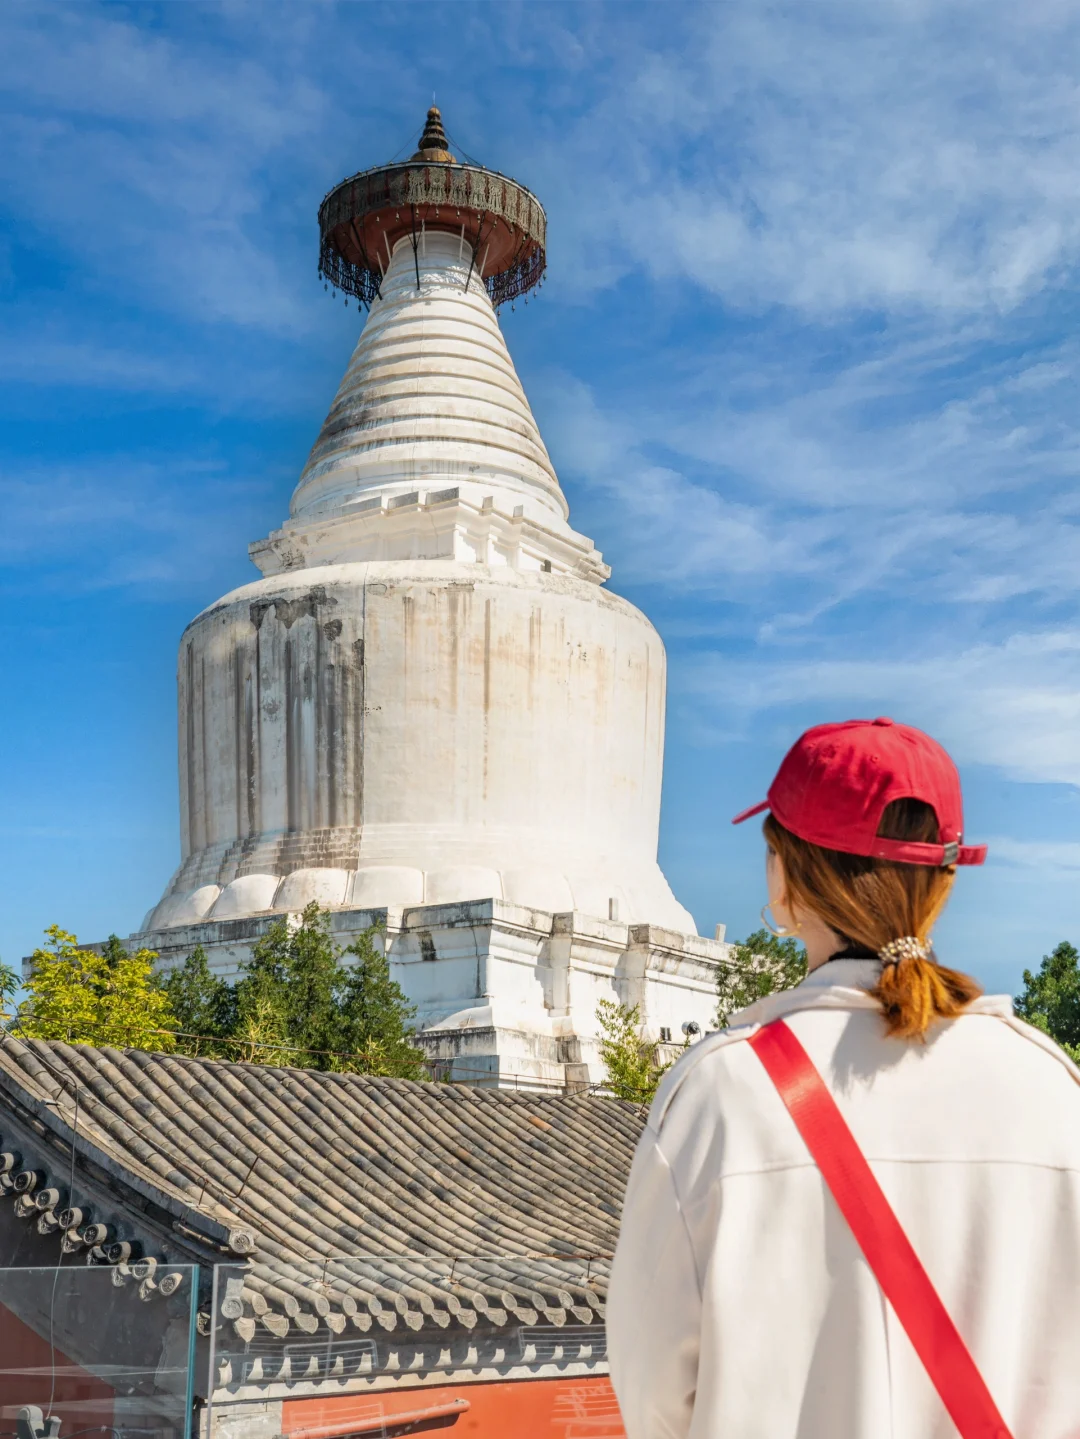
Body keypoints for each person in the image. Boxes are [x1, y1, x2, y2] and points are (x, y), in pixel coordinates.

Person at [608, 717, 1080, 1439]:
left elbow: (653, 1399)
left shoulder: (719, 1096)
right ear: (943, 883)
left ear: (784, 874)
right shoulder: (1052, 1090)